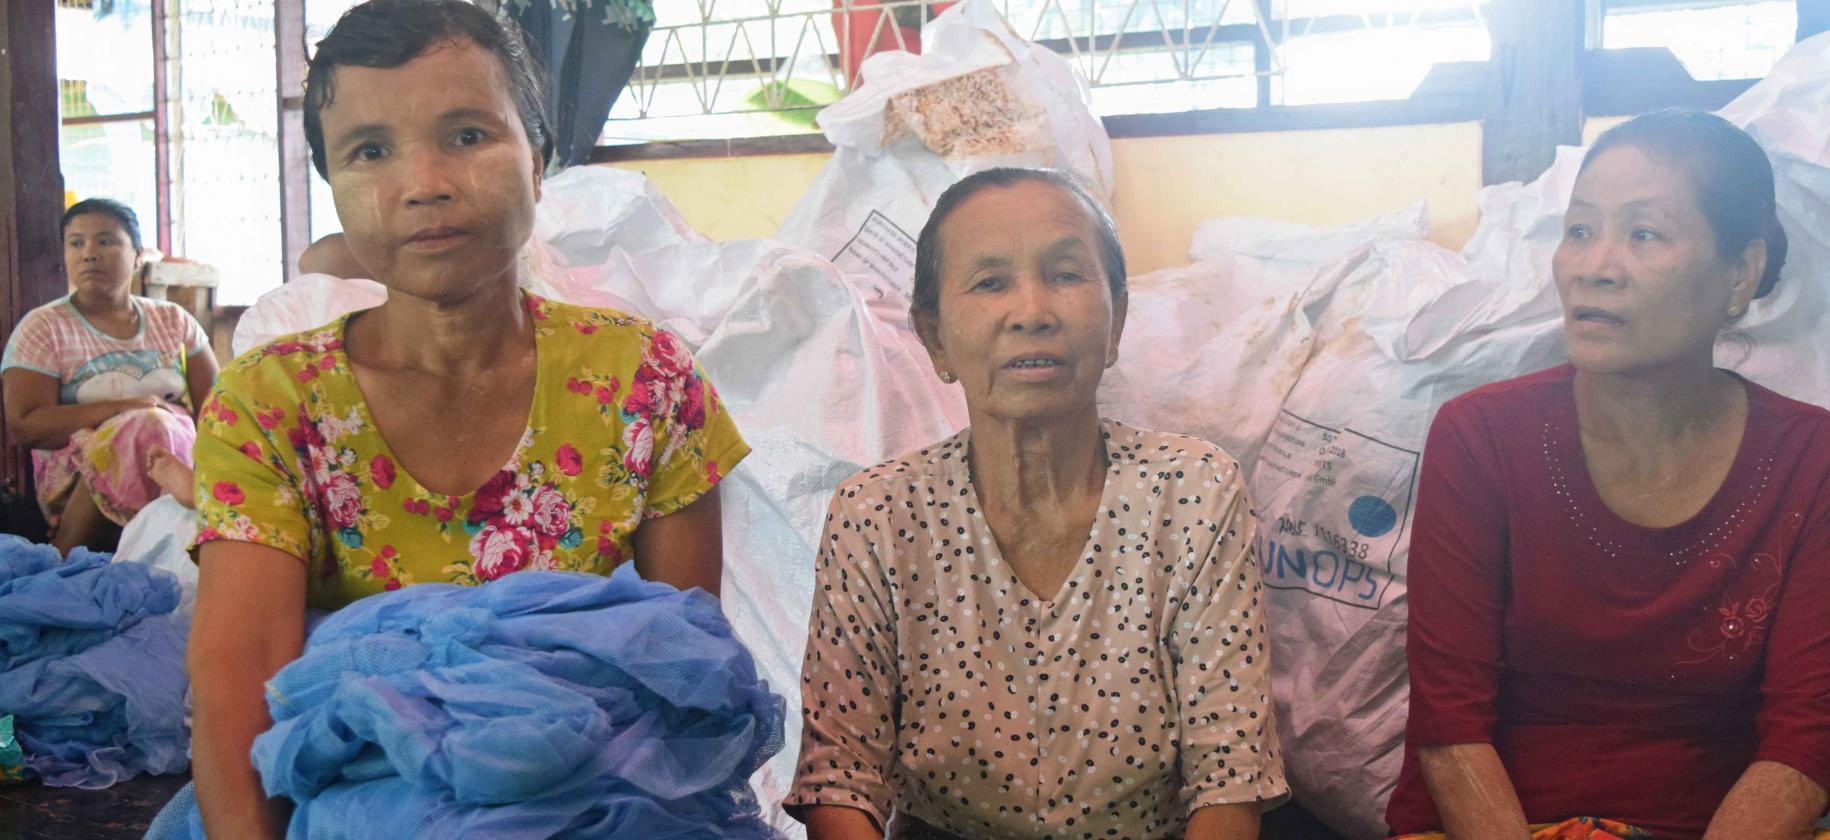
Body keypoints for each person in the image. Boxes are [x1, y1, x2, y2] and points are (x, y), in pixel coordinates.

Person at [183, 2, 748, 837]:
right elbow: (241, 709)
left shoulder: (645, 382)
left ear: (539, 159)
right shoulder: (272, 407)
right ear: (333, 186)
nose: (426, 184)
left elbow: (677, 682)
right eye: (370, 151)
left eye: (468, 135)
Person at [1386, 109, 1830, 840]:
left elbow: (1804, 741)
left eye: (1643, 234)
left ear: (1739, 274)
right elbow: (1448, 722)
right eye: (1580, 231)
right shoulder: (1481, 437)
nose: (1594, 266)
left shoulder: (1818, 462)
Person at [782, 167, 1287, 840]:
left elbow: (1228, 778)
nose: (1033, 312)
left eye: (1067, 275)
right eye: (990, 282)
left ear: (1117, 323)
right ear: (934, 337)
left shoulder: (1193, 494)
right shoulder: (876, 516)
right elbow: (840, 779)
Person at [1, 198, 218, 553]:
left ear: (137, 256)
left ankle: (176, 536)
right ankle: (68, 551)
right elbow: (25, 425)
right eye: (76, 243)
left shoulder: (174, 320)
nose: (88, 253)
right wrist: (125, 410)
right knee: (146, 425)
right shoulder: (43, 327)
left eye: (105, 241)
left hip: (177, 465)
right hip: (76, 483)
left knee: (161, 427)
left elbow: (217, 408)